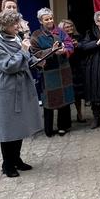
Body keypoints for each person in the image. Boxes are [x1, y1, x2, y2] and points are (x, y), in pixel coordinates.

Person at [0, 11, 42, 178]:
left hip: (21, 84)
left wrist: (37, 61)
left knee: (19, 123)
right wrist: (24, 52)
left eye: (18, 23)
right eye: (14, 24)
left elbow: (25, 59)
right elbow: (8, 66)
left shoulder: (16, 38)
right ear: (4, 27)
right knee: (7, 125)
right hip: (6, 88)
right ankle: (7, 164)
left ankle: (17, 159)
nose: (18, 26)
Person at [30, 8, 75, 137]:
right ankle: (48, 129)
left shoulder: (60, 32)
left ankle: (63, 126)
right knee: (48, 101)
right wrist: (51, 50)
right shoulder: (36, 35)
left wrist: (65, 50)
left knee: (64, 99)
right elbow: (35, 52)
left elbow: (70, 44)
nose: (50, 21)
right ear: (40, 21)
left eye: (51, 18)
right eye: (46, 19)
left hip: (63, 69)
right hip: (48, 72)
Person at [59, 19, 87, 124]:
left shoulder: (78, 37)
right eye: (67, 27)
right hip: (66, 68)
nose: (70, 29)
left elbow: (84, 49)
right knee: (67, 93)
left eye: (71, 26)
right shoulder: (60, 39)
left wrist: (78, 45)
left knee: (78, 94)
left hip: (78, 68)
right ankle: (66, 118)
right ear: (62, 29)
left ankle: (80, 113)